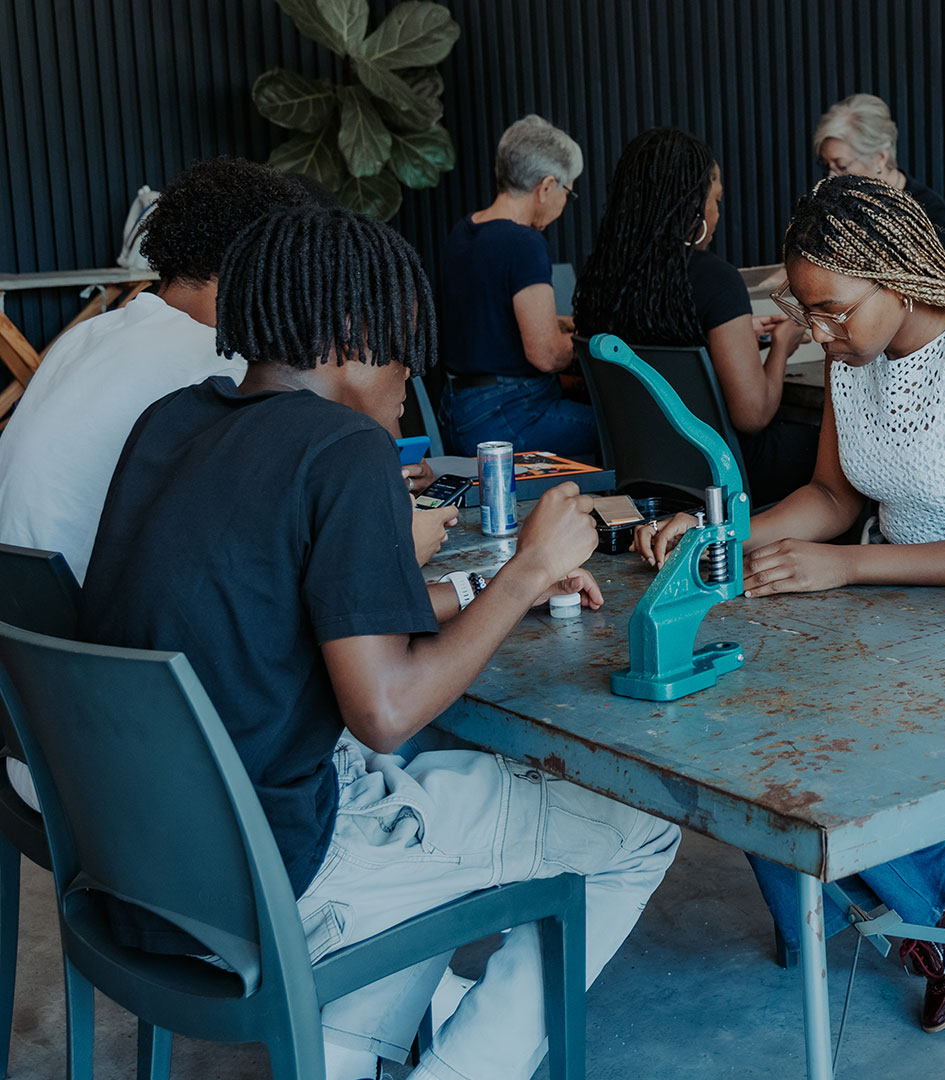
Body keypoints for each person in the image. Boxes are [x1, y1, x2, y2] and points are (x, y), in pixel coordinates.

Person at [79, 204, 680, 1080]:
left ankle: (350, 1048)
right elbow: (386, 711)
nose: (414, 370)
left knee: (425, 807)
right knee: (637, 827)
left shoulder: (168, 424)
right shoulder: (343, 447)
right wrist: (526, 569)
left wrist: (485, 587)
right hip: (280, 874)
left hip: (142, 868)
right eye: (404, 340)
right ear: (351, 333)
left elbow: (287, 606)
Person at [637, 174, 945, 1034]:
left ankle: (930, 917)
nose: (820, 335)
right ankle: (861, 897)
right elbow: (832, 495)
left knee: (808, 730)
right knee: (735, 726)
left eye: (834, 312)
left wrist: (850, 570)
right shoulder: (857, 356)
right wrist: (724, 537)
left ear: (897, 278)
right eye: (808, 314)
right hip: (893, 608)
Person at [0, 158, 325, 582]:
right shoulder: (219, 358)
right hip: (96, 618)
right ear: (261, 261)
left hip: (20, 611)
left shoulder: (89, 333)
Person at [573, 127, 817, 502]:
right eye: (716, 200)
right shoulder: (714, 280)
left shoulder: (600, 278)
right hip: (725, 473)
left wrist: (730, 337)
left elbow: (658, 340)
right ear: (694, 207)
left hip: (638, 473)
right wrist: (783, 346)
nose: (718, 214)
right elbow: (752, 415)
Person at [437, 114, 599, 461]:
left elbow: (495, 320)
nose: (563, 204)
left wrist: (566, 324)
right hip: (508, 417)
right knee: (622, 430)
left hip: (458, 411)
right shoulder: (523, 242)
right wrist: (594, 344)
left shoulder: (464, 231)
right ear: (546, 186)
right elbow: (547, 354)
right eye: (567, 193)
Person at [815, 93, 945, 262]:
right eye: (826, 165)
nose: (830, 176)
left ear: (880, 157)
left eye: (841, 166)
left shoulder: (930, 212)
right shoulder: (833, 203)